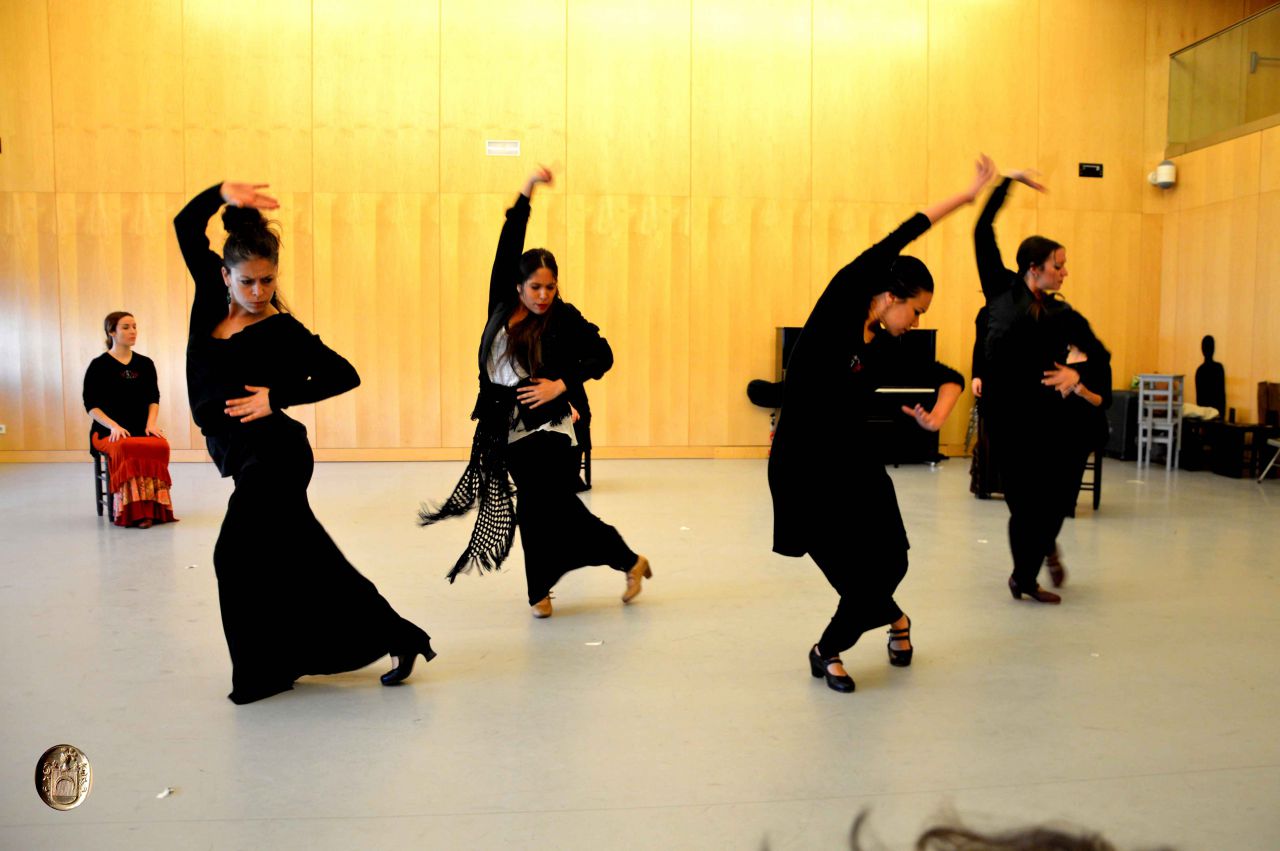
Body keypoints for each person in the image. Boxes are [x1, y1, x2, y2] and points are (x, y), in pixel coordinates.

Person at [175, 181, 434, 704]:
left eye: (268, 280)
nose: (258, 292)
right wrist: (221, 191)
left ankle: (260, 673)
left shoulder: (283, 329)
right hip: (245, 457)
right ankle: (398, 637)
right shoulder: (209, 298)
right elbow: (185, 225)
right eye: (247, 281)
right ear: (225, 276)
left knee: (235, 556)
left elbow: (346, 374)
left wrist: (278, 398)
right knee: (305, 558)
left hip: (276, 455)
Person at [768, 156, 995, 693]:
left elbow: (948, 374)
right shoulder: (840, 307)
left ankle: (895, 619)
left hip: (856, 466)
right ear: (890, 297)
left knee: (892, 560)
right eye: (915, 311)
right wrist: (964, 198)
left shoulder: (888, 347)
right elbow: (902, 233)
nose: (917, 322)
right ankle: (829, 650)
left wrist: (941, 409)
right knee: (855, 576)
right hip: (804, 468)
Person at [420, 167, 647, 619]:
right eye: (536, 287)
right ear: (518, 286)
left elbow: (603, 355)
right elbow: (509, 243)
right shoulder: (501, 307)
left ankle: (545, 589)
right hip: (505, 424)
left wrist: (562, 383)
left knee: (547, 503)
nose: (543, 295)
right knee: (543, 508)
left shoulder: (562, 318)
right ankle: (620, 563)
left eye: (550, 286)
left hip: (551, 425)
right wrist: (525, 192)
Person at [973, 168, 1111, 604]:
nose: (1064, 271)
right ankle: (1024, 578)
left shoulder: (1063, 315)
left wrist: (1078, 376)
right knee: (1023, 506)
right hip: (1006, 418)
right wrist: (1006, 184)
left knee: (1051, 505)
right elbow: (981, 229)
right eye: (1058, 265)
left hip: (1049, 418)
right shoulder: (999, 290)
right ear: (1034, 269)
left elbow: (1101, 356)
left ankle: (1040, 550)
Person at [82, 311, 178, 528]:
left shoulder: (145, 364)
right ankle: (133, 511)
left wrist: (151, 424)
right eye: (126, 327)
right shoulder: (99, 365)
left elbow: (154, 398)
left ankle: (154, 507)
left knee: (161, 445)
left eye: (134, 326)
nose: (133, 331)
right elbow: (91, 406)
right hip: (108, 431)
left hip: (140, 428)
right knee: (126, 447)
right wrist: (113, 425)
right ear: (111, 332)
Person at [968, 305, 1003, 499]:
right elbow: (979, 344)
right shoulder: (986, 312)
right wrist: (976, 376)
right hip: (991, 377)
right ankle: (985, 485)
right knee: (988, 431)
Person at [1194, 334, 1225, 418]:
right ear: (1214, 349)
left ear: (1202, 350)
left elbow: (1199, 400)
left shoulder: (1200, 370)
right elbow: (1222, 397)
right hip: (1215, 415)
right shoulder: (1218, 368)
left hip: (1205, 415)